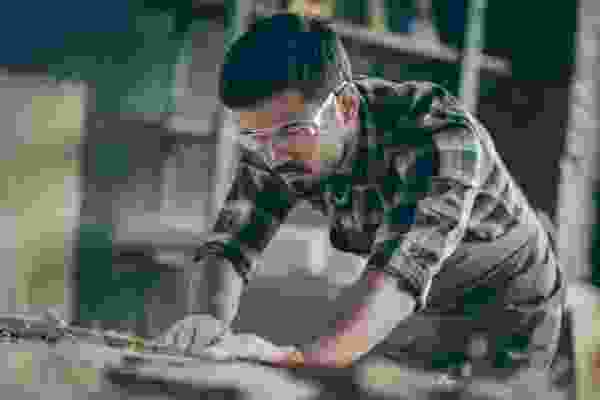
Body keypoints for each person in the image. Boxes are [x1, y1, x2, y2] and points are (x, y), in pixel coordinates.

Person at [158, 13, 565, 376]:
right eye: (255, 138)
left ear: (347, 106)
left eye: (292, 133)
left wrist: (292, 361)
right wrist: (208, 323)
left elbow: (399, 276)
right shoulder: (273, 140)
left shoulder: (439, 138)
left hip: (509, 300)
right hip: (424, 300)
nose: (272, 156)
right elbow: (231, 246)